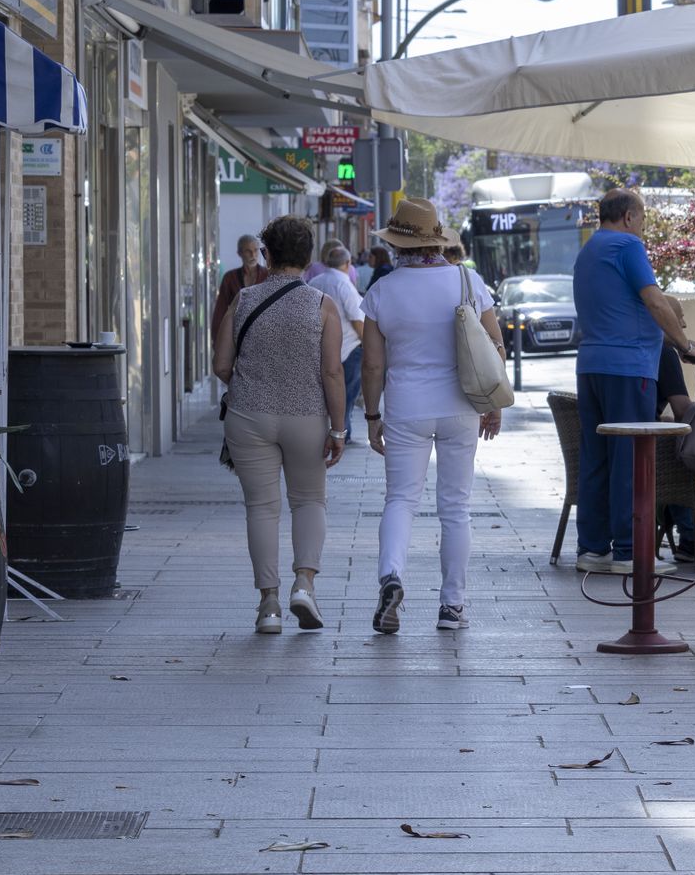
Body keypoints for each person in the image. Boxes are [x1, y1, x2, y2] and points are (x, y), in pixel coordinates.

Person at [361, 198, 506, 635]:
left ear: (396, 243)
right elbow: (495, 346)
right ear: (435, 238)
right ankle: (452, 606)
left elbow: (372, 366)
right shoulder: (467, 280)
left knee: (401, 499)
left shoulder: (383, 291)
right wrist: (492, 404)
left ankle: (391, 576)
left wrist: (371, 416)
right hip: (461, 404)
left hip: (406, 406)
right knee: (455, 507)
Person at [212, 215, 347, 635]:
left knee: (262, 509)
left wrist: (253, 386)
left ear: (266, 255)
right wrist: (338, 429)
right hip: (306, 416)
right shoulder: (323, 306)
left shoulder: (245, 300)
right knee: (308, 501)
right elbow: (332, 374)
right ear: (308, 259)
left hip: (249, 417)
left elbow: (220, 365)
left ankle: (268, 604)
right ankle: (304, 584)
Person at [574, 188, 695, 575]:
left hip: (591, 365)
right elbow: (655, 300)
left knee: (596, 459)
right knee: (631, 460)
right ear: (629, 216)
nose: (642, 228)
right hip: (628, 366)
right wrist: (682, 343)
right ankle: (630, 551)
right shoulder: (627, 245)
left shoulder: (589, 251)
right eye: (641, 219)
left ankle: (593, 549)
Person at [307, 245, 367, 444]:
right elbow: (357, 319)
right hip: (348, 349)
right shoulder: (344, 284)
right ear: (348, 263)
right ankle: (343, 432)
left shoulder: (314, 282)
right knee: (346, 397)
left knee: (324, 396)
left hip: (319, 349)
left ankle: (324, 432)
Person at [655, 295, 695, 563]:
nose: (683, 324)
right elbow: (683, 410)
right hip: (651, 452)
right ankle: (690, 535)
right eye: (678, 316)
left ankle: (675, 522)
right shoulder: (663, 352)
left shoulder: (644, 348)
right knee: (682, 458)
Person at [212, 234, 269, 343]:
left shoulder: (268, 275)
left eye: (256, 250)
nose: (253, 255)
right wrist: (218, 342)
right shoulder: (230, 278)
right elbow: (220, 311)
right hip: (237, 337)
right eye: (248, 251)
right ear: (240, 253)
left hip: (263, 337)